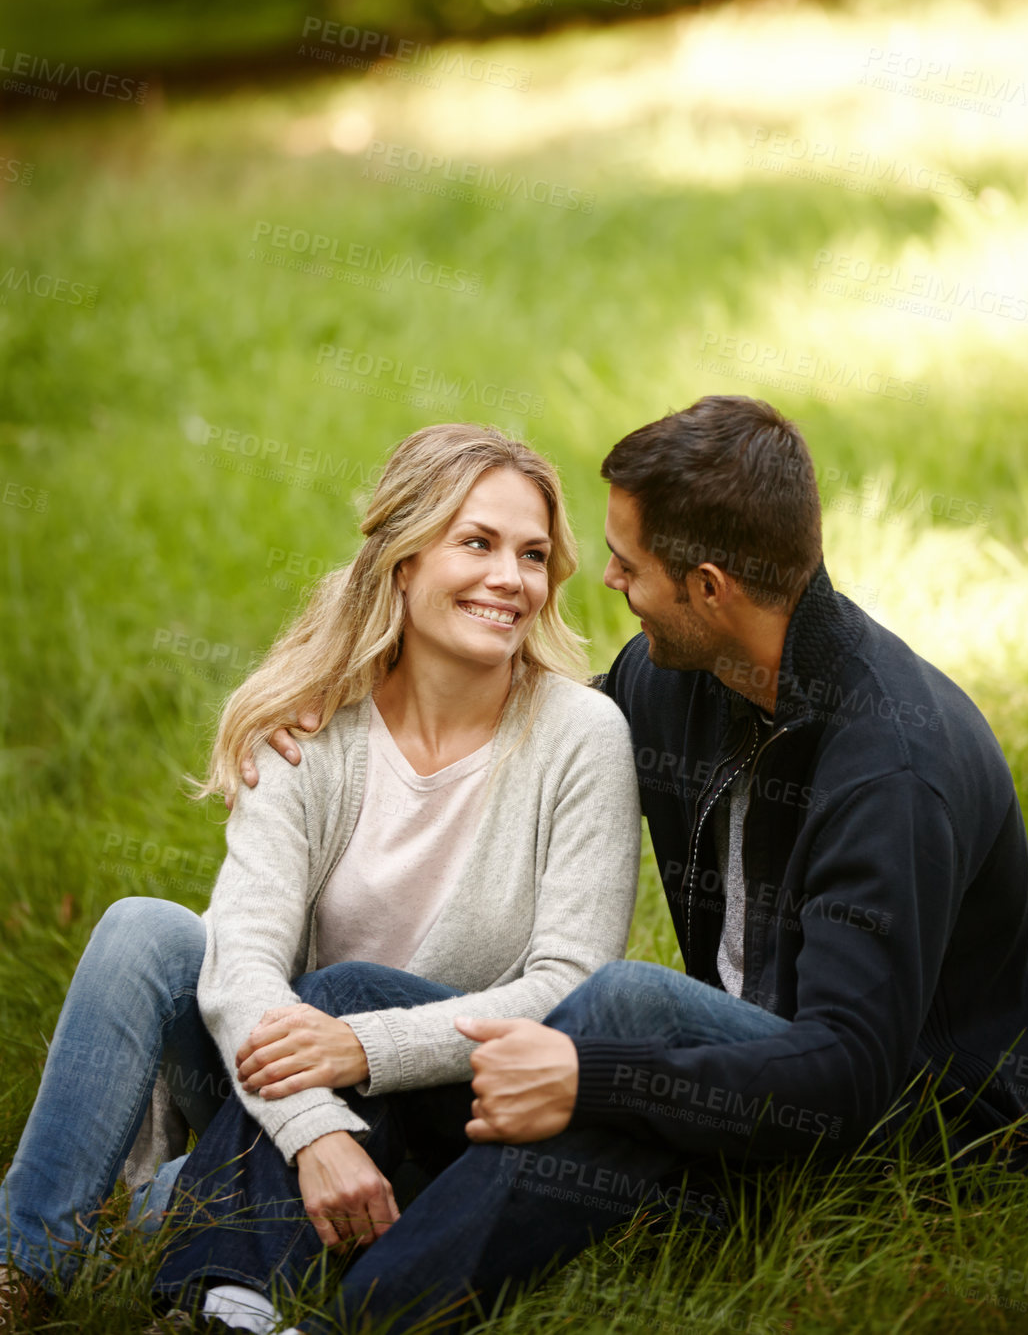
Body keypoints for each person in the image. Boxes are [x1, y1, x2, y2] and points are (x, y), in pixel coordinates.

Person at [154, 394, 1028, 1335]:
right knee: (345, 996)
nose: (608, 585)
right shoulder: (680, 679)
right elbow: (530, 731)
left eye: (629, 566)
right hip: (721, 1080)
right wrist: (346, 701)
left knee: (617, 1002)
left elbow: (848, 1072)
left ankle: (353, 1325)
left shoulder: (892, 768)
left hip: (902, 1135)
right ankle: (215, 1304)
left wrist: (599, 1077)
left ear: (708, 587)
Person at [0, 423, 640, 1333]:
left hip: (441, 1111)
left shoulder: (581, 737)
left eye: (533, 554)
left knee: (192, 1181)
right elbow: (240, 967)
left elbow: (572, 987)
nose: (512, 579)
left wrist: (365, 1049)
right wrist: (315, 1128)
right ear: (404, 562)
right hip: (282, 1089)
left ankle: (191, 1241)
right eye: (477, 543)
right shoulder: (311, 726)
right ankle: (24, 1268)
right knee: (145, 929)